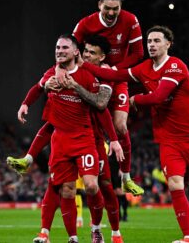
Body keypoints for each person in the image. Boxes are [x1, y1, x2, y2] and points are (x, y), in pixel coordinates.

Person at [78, 25, 189, 243]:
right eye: (149, 41)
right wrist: (86, 66)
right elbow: (116, 74)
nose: (152, 45)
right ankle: (188, 237)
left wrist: (135, 99)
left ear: (168, 44)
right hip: (167, 138)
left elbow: (158, 96)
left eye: (157, 41)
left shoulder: (176, 66)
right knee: (175, 184)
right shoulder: (144, 67)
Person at [8, 35, 124, 243]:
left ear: (75, 52)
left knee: (94, 185)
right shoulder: (52, 73)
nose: (60, 51)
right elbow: (38, 87)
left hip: (86, 138)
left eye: (64, 48)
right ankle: (71, 237)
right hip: (61, 141)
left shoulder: (91, 75)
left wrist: (113, 139)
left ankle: (99, 229)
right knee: (65, 188)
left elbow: (101, 108)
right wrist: (26, 104)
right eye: (57, 47)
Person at [59, 0, 145, 196]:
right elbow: (68, 48)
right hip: (92, 78)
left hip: (116, 77)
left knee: (121, 126)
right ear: (99, 5)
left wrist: (113, 70)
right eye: (107, 7)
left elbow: (138, 54)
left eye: (116, 8)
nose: (111, 12)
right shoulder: (85, 24)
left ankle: (126, 178)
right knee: (89, 123)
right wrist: (59, 68)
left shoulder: (130, 20)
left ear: (121, 6)